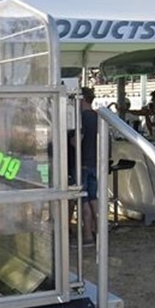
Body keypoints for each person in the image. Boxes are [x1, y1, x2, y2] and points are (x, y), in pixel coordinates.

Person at [68, 87, 98, 246]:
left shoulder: (81, 118)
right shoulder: (98, 116)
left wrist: (69, 140)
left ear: (81, 99)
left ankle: (87, 236)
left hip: (82, 163)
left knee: (83, 199)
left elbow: (77, 141)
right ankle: (98, 231)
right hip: (94, 162)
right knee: (93, 198)